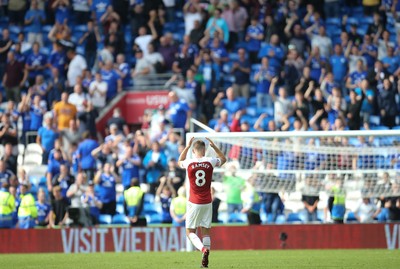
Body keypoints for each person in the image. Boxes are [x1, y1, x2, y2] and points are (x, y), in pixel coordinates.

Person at [178, 137, 227, 268]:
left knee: (190, 232)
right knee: (205, 232)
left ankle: (203, 250)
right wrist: (214, 146)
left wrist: (187, 146)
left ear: (194, 151)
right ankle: (204, 263)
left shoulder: (189, 162)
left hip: (194, 202)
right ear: (204, 151)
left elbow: (179, 161)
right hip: (207, 201)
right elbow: (223, 159)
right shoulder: (210, 161)